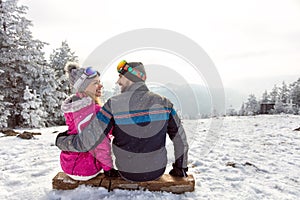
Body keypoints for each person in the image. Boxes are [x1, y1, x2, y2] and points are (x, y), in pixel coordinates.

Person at [56, 60, 189, 182]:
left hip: (127, 171)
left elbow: (88, 141)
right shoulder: (165, 103)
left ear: (130, 78)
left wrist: (62, 141)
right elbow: (180, 139)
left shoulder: (113, 105)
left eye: (120, 76)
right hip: (156, 171)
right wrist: (180, 168)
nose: (117, 82)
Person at [59, 62, 119, 180]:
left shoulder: (73, 106)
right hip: (86, 169)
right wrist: (108, 169)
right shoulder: (95, 111)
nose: (100, 86)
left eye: (99, 82)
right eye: (95, 83)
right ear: (84, 87)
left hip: (67, 165)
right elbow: (101, 144)